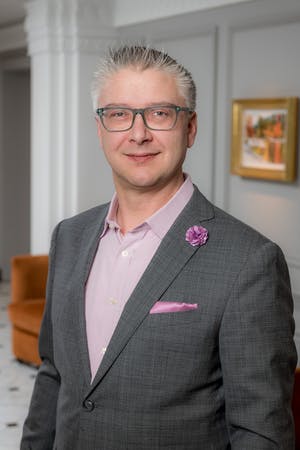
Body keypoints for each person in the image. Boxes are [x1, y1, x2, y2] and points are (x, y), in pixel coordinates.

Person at [21, 45, 297, 450]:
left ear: (190, 128)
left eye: (160, 113)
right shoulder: (70, 236)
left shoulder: (249, 261)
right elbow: (54, 374)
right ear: (100, 130)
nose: (138, 133)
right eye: (118, 114)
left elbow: (260, 432)